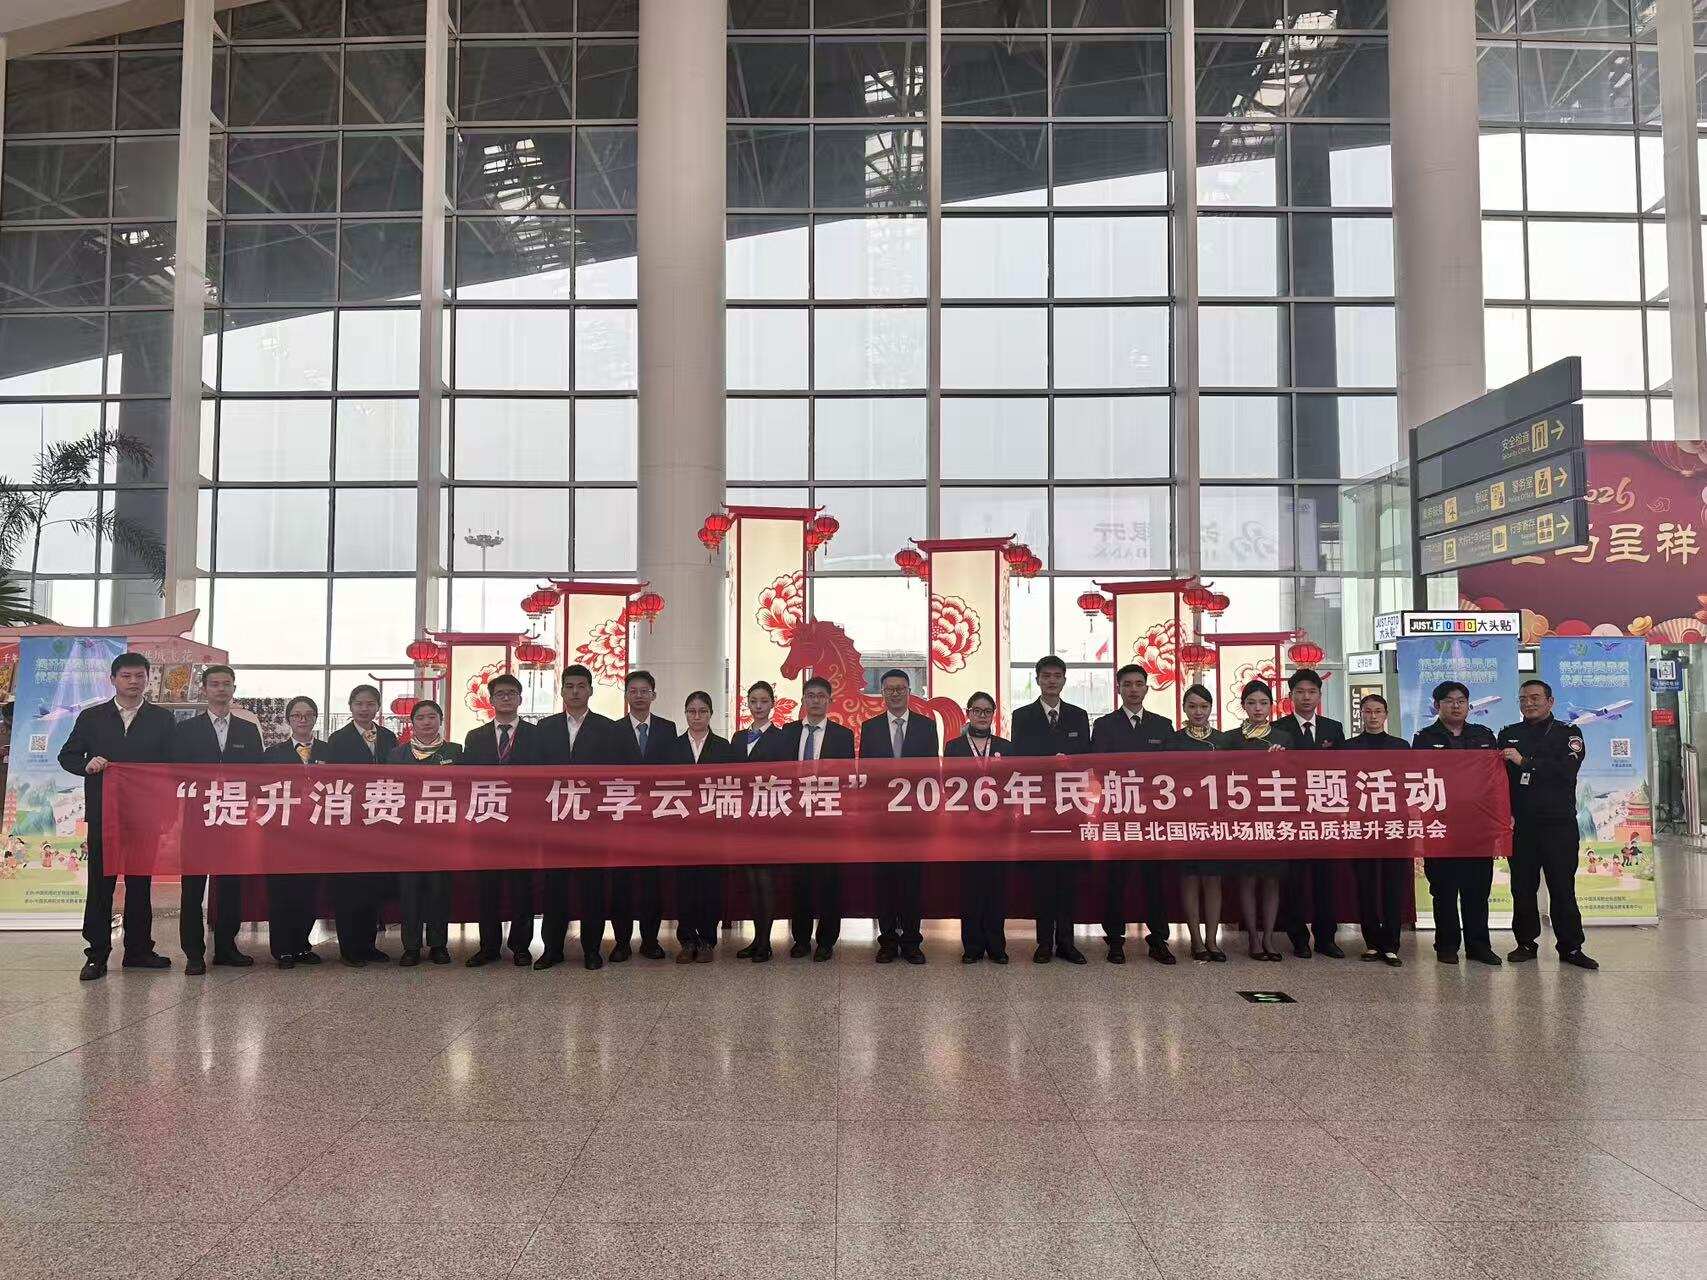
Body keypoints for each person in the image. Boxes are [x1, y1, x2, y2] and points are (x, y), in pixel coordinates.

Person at [58, 651, 177, 981]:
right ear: (113, 679)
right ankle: (96, 954)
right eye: (126, 676)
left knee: (140, 883)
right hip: (104, 815)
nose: (133, 682)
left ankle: (138, 950)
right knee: (101, 884)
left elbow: (171, 769)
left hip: (145, 815)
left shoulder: (162, 719)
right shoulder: (92, 717)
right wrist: (87, 764)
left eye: (140, 676)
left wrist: (167, 813)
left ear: (148, 679)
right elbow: (67, 756)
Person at [171, 664, 263, 974]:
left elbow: (259, 776)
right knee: (192, 888)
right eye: (214, 684)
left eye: (226, 684)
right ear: (204, 689)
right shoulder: (186, 730)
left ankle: (226, 947)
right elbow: (176, 774)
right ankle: (194, 953)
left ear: (234, 689)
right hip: (197, 819)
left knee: (230, 886)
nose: (221, 689)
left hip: (234, 818)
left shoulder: (248, 731)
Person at [756, 675, 855, 961]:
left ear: (829, 701)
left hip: (828, 818)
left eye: (821, 696)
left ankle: (826, 941)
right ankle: (800, 939)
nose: (815, 701)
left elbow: (847, 777)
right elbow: (777, 772)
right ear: (803, 700)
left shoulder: (842, 735)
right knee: (800, 882)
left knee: (829, 882)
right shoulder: (787, 732)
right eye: (810, 696)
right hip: (795, 819)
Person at [1500, 679, 1597, 970]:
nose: (1528, 703)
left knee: (1562, 887)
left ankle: (1571, 947)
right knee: (1522, 887)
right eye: (1523, 699)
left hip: (1558, 824)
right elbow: (1497, 779)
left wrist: (1525, 762)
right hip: (1521, 825)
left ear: (1550, 701)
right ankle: (1525, 943)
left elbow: (1566, 770)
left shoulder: (1568, 733)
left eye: (1535, 698)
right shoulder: (1508, 734)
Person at [1089, 663, 1176, 965]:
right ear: (1118, 689)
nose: (1134, 689)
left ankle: (1159, 940)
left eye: (1139, 684)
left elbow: (1170, 770)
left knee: (1155, 880)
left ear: (1147, 688)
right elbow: (1098, 769)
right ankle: (1115, 939)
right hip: (1118, 814)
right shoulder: (1104, 725)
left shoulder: (1162, 726)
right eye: (1127, 684)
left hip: (1152, 817)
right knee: (1115, 879)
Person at [1412, 681, 1502, 966]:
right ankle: (1447, 945)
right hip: (1441, 824)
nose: (1456, 705)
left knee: (1478, 889)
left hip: (1478, 825)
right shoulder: (1424, 738)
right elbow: (1419, 778)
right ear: (1437, 705)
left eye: (1461, 700)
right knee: (1444, 888)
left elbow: (1495, 779)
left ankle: (1479, 946)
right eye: (1449, 701)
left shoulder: (1483, 735)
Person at [458, 673, 543, 968]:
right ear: (491, 700)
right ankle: (488, 947)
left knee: (522, 887)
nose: (506, 698)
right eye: (500, 694)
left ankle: (521, 946)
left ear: (520, 699)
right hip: (487, 822)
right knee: (487, 888)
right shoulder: (475, 737)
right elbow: (467, 779)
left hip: (523, 824)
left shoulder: (536, 735)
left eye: (511, 693)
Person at [536, 665, 618, 970]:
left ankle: (592, 950)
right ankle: (552, 949)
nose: (575, 692)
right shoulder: (544, 727)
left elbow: (615, 774)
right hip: (555, 821)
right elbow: (533, 774)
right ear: (561, 691)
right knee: (554, 887)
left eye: (581, 686)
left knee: (592, 888)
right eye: (569, 686)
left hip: (592, 823)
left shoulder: (607, 728)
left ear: (590, 691)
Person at [1011, 655, 1091, 965]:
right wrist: (1048, 763)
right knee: (1043, 879)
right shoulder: (1022, 716)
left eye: (1057, 676)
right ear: (1037, 680)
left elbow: (1087, 759)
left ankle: (1067, 943)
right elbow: (1019, 759)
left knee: (1069, 879)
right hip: (1039, 809)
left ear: (1064, 680)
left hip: (1071, 808)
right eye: (1046, 676)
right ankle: (1044, 942)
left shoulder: (1078, 716)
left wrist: (1069, 764)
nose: (1052, 681)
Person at [859, 668, 939, 965]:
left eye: (900, 688)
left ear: (909, 692)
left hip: (915, 819)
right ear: (882, 693)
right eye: (890, 689)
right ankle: (888, 941)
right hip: (881, 820)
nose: (895, 693)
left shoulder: (926, 727)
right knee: (885, 882)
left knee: (912, 882)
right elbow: (865, 774)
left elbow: (933, 774)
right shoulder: (870, 728)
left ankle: (912, 942)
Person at [1272, 668, 1346, 959]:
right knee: (1295, 881)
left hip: (1324, 815)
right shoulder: (1277, 729)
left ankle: (1326, 938)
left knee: (1325, 879)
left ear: (1319, 695)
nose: (1306, 697)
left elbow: (1342, 770)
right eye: (1300, 692)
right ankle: (1299, 939)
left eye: (1312, 692)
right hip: (1292, 815)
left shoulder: (1333, 728)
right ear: (1290, 696)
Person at [323, 684, 398, 966]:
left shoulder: (388, 737)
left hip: (380, 822)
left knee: (373, 886)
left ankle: (369, 945)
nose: (365, 709)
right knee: (349, 887)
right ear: (351, 707)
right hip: (350, 823)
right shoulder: (338, 739)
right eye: (359, 704)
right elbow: (333, 782)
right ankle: (349, 948)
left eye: (370, 704)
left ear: (377, 707)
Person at [608, 670, 675, 962]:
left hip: (655, 821)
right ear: (626, 696)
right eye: (633, 691)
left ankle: (650, 941)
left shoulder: (668, 729)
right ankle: (622, 942)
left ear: (653, 695)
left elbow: (673, 773)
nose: (638, 696)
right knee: (620, 883)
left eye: (644, 691)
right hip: (622, 819)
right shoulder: (612, 730)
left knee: (652, 884)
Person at [389, 699, 461, 968]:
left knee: (439, 890)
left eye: (432, 717)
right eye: (420, 718)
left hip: (442, 833)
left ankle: (438, 945)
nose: (427, 722)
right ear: (412, 723)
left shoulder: (455, 752)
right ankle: (411, 947)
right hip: (407, 835)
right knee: (409, 892)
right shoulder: (397, 755)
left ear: (440, 720)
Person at [1227, 680, 1292, 962]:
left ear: (1271, 706)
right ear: (1243, 706)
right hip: (1243, 817)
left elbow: (1294, 777)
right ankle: (1253, 936)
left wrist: (1279, 763)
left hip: (1273, 816)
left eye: (1263, 703)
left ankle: (1269, 937)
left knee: (1271, 880)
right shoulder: (1230, 739)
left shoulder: (1284, 738)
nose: (1257, 708)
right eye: (1252, 703)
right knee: (1247, 878)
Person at [1343, 693, 1408, 967]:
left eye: (1378, 711)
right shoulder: (1348, 747)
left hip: (1394, 823)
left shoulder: (1401, 746)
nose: (1372, 716)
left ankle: (1391, 944)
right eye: (1367, 711)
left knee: (1393, 884)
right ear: (1361, 714)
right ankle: (1371, 943)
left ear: (1386, 715)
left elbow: (1408, 784)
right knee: (1366, 884)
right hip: (1362, 823)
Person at [262, 696, 327, 969]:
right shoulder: (272, 754)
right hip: (282, 835)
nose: (303, 720)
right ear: (288, 720)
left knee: (308, 891)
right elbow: (262, 791)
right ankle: (283, 949)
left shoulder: (329, 751)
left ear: (315, 718)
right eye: (297, 715)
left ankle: (301, 945)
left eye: (308, 715)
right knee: (282, 891)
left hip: (317, 834)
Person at [946, 691, 1011, 964]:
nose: (982, 716)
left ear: (993, 715)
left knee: (996, 889)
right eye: (977, 710)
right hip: (967, 829)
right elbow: (948, 785)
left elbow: (1012, 786)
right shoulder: (954, 747)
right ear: (968, 713)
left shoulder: (1006, 747)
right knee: (970, 889)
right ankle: (972, 946)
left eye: (987, 711)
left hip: (998, 829)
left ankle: (996, 946)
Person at [1168, 684, 1228, 962]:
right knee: (1190, 879)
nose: (1198, 712)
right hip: (1185, 818)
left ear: (1211, 708)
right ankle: (1195, 939)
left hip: (1215, 820)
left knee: (1213, 879)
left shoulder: (1223, 741)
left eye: (1203, 706)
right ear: (1184, 708)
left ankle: (1212, 940)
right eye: (1192, 706)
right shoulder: (1173, 741)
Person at [669, 691, 730, 963]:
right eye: (692, 711)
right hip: (681, 829)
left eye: (702, 711)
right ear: (685, 714)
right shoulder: (672, 747)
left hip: (712, 829)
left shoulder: (724, 747)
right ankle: (687, 940)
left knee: (709, 886)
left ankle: (706, 940)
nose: (697, 716)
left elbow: (733, 786)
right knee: (684, 886)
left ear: (711, 714)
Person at [735, 681, 783, 961]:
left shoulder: (782, 737)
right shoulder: (738, 738)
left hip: (769, 818)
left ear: (772, 704)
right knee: (751, 880)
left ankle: (765, 942)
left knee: (765, 880)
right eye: (753, 701)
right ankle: (756, 939)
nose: (758, 706)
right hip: (743, 818)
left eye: (764, 701)